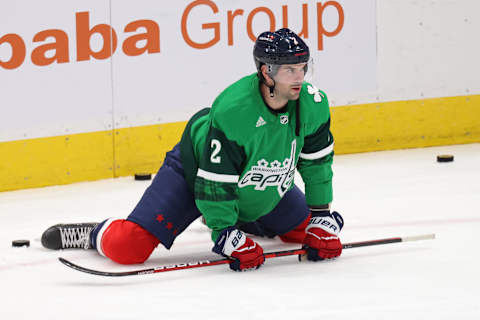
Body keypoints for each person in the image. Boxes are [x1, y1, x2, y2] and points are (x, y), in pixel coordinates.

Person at [41, 28, 344, 271]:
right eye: (290, 70)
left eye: (303, 68)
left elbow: (317, 165)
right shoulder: (234, 111)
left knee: (303, 232)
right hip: (196, 174)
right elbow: (215, 184)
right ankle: (93, 233)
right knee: (128, 247)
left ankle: (241, 218)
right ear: (267, 72)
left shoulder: (313, 103)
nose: (300, 78)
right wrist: (224, 232)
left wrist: (321, 216)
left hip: (256, 181)